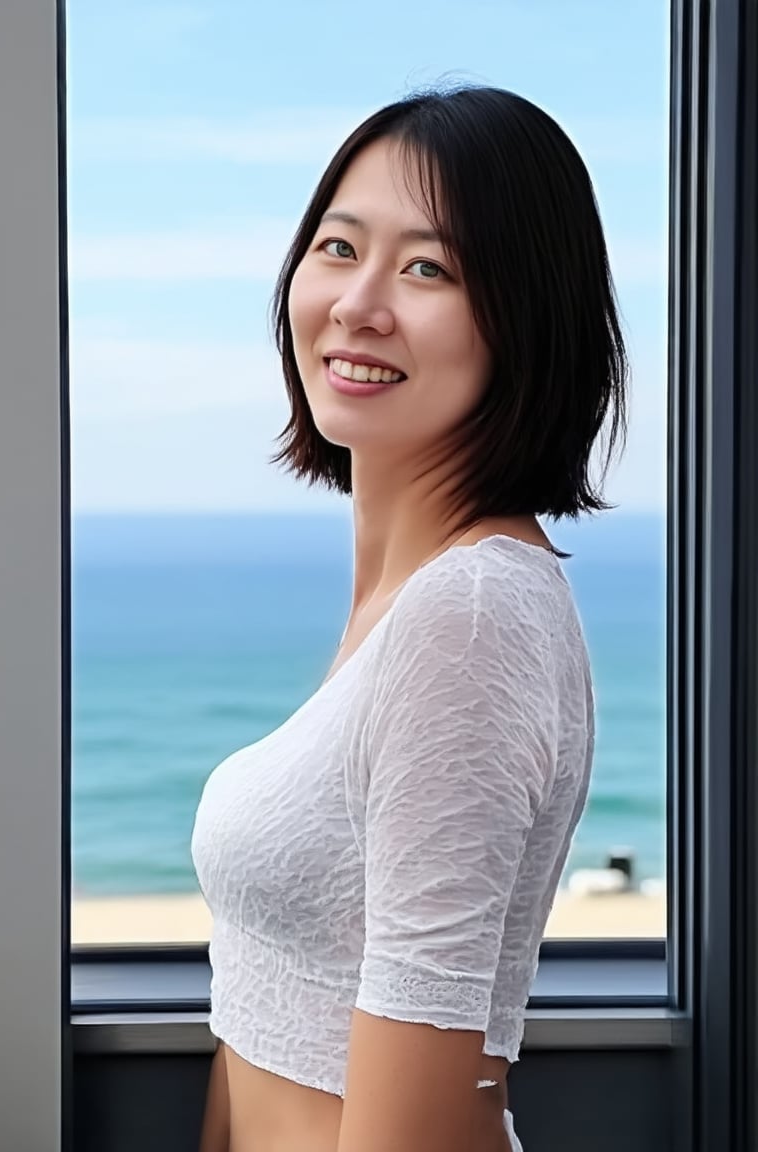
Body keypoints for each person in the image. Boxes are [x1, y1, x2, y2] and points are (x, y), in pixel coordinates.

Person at [192, 82, 628, 1152]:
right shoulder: (414, 601)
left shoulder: (469, 617)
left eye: (428, 268)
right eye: (340, 249)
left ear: (525, 318)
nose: (358, 304)